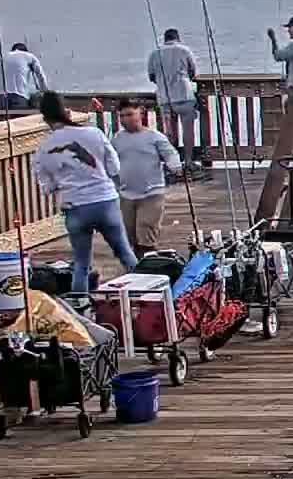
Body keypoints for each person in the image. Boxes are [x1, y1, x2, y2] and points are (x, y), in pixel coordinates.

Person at [31, 91, 138, 296]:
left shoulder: (43, 150)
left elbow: (47, 188)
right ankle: (149, 294)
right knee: (125, 252)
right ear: (67, 112)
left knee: (81, 263)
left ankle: (81, 307)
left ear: (45, 119)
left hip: (75, 207)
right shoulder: (93, 133)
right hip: (105, 200)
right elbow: (114, 167)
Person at [112, 96, 183, 258]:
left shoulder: (154, 137)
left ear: (141, 114)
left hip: (151, 193)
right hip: (126, 194)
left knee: (146, 231)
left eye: (130, 115)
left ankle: (149, 265)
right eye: (122, 116)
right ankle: (134, 268)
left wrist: (175, 166)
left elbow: (170, 154)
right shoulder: (117, 139)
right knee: (128, 235)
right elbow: (110, 162)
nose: (125, 120)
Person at [147, 27, 205, 177]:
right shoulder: (185, 50)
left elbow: (152, 77)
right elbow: (193, 73)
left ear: (165, 39)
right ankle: (189, 161)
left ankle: (173, 164)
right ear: (178, 38)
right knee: (188, 131)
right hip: (184, 96)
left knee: (169, 133)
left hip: (165, 98)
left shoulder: (154, 53)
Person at [0, 42, 48, 110]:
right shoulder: (30, 56)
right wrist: (46, 93)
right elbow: (41, 76)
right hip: (18, 96)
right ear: (25, 51)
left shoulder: (4, 56)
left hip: (1, 98)